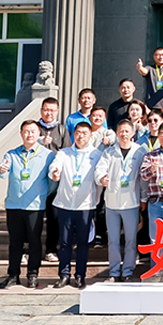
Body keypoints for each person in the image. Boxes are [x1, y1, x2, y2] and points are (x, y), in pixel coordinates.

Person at [0, 121, 56, 289]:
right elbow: (2, 168)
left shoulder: (47, 155)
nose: (29, 135)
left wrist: (41, 194)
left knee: (34, 241)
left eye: (33, 131)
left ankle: (32, 274)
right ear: (21, 134)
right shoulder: (12, 154)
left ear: (39, 134)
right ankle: (13, 275)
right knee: (15, 242)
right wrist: (2, 169)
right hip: (14, 205)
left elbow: (52, 181)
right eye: (26, 132)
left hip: (34, 206)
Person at [49, 122, 102, 289]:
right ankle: (64, 275)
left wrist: (97, 196)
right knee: (64, 242)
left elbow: (100, 175)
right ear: (74, 134)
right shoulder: (64, 153)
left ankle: (80, 275)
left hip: (85, 205)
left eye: (84, 133)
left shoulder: (96, 154)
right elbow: (54, 166)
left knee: (82, 243)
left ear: (90, 135)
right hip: (65, 204)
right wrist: (54, 173)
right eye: (78, 132)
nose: (81, 136)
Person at [94, 119, 145, 282]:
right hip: (112, 203)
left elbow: (143, 178)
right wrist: (101, 178)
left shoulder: (139, 151)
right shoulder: (109, 152)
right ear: (116, 133)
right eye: (121, 131)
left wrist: (143, 198)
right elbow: (99, 169)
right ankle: (114, 272)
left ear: (132, 133)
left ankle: (128, 271)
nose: (124, 134)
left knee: (131, 240)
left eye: (127, 131)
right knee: (113, 240)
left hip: (131, 202)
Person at [38, 97, 68, 262]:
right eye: (46, 110)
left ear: (57, 111)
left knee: (53, 217)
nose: (49, 113)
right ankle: (28, 250)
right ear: (41, 111)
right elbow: (25, 145)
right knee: (33, 217)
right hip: (35, 180)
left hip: (55, 181)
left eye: (52, 110)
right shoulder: (34, 128)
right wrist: (40, 141)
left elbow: (67, 152)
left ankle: (51, 249)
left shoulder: (62, 130)